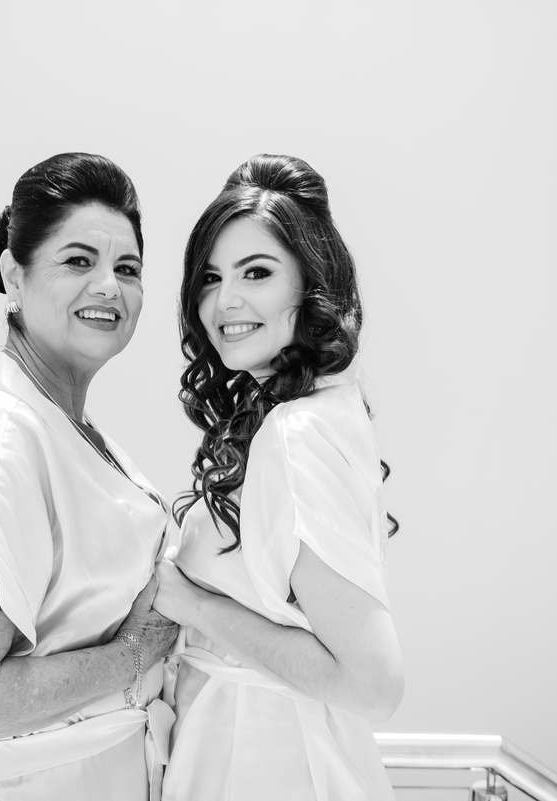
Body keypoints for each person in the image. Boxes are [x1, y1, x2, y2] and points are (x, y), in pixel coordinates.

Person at [0, 152, 178, 801]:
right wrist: (138, 653)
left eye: (127, 268)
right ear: (12, 274)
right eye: (78, 260)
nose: (109, 286)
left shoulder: (59, 426)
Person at [154, 154, 404, 801]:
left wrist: (193, 603)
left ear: (309, 284)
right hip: (253, 745)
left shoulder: (298, 433)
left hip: (267, 759)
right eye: (210, 278)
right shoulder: (312, 410)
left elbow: (373, 685)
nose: (225, 301)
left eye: (257, 272)